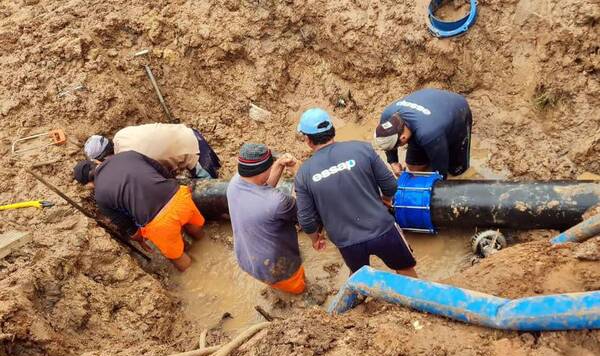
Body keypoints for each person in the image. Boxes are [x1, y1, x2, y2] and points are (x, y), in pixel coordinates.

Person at [295, 108, 417, 277]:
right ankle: (414, 302)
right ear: (332, 130)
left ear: (308, 140)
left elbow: (306, 220)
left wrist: (316, 239)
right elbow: (390, 185)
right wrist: (386, 200)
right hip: (383, 229)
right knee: (405, 270)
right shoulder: (362, 149)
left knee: (360, 277)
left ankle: (360, 302)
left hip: (347, 241)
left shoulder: (303, 173)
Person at [73, 151, 205, 271]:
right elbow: (160, 169)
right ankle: (205, 244)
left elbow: (126, 225)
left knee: (178, 257)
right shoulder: (128, 155)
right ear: (97, 162)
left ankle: (197, 276)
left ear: (89, 185)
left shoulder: (100, 196)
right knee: (195, 228)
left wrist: (140, 240)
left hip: (160, 223)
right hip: (180, 197)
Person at [227, 143, 305, 294]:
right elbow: (304, 212)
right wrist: (299, 174)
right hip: (279, 268)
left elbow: (264, 186)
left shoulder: (235, 183)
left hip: (248, 260)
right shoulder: (277, 202)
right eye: (270, 166)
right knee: (299, 288)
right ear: (263, 171)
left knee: (275, 285)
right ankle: (299, 294)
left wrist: (279, 165)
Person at [374, 88, 472, 178]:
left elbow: (440, 172)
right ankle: (431, 151)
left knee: (456, 171)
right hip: (426, 112)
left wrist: (437, 185)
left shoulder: (429, 134)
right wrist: (393, 162)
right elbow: (387, 143)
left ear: (403, 138)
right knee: (414, 167)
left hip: (457, 110)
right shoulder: (387, 117)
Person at [83, 123, 221, 179]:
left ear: (104, 158)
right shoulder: (121, 134)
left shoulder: (127, 159)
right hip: (188, 132)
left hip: (192, 151)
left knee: (212, 191)